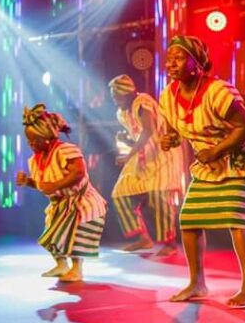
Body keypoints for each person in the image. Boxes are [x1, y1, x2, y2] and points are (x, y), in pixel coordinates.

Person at [159, 36, 245, 308]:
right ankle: (197, 283)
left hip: (239, 161)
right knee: (189, 220)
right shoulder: (168, 96)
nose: (171, 63)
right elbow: (177, 126)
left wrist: (215, 151)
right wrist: (170, 138)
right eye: (169, 58)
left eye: (179, 58)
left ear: (196, 64)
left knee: (237, 219)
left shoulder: (217, 91)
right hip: (209, 166)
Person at [16, 104, 108, 283]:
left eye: (36, 140)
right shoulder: (35, 160)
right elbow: (44, 185)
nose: (31, 144)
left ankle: (77, 269)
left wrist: (55, 185)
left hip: (81, 202)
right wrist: (28, 181)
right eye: (29, 140)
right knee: (52, 235)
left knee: (76, 235)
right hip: (59, 205)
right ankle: (61, 265)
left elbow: (78, 172)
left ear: (47, 137)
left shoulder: (65, 150)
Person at [108, 74, 186, 255]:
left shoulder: (142, 102)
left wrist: (128, 156)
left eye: (116, 95)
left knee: (159, 197)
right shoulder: (122, 113)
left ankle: (170, 243)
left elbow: (149, 131)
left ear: (127, 93)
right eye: (113, 96)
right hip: (142, 158)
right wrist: (127, 141)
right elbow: (139, 137)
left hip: (161, 156)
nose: (114, 100)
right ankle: (143, 238)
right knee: (120, 194)